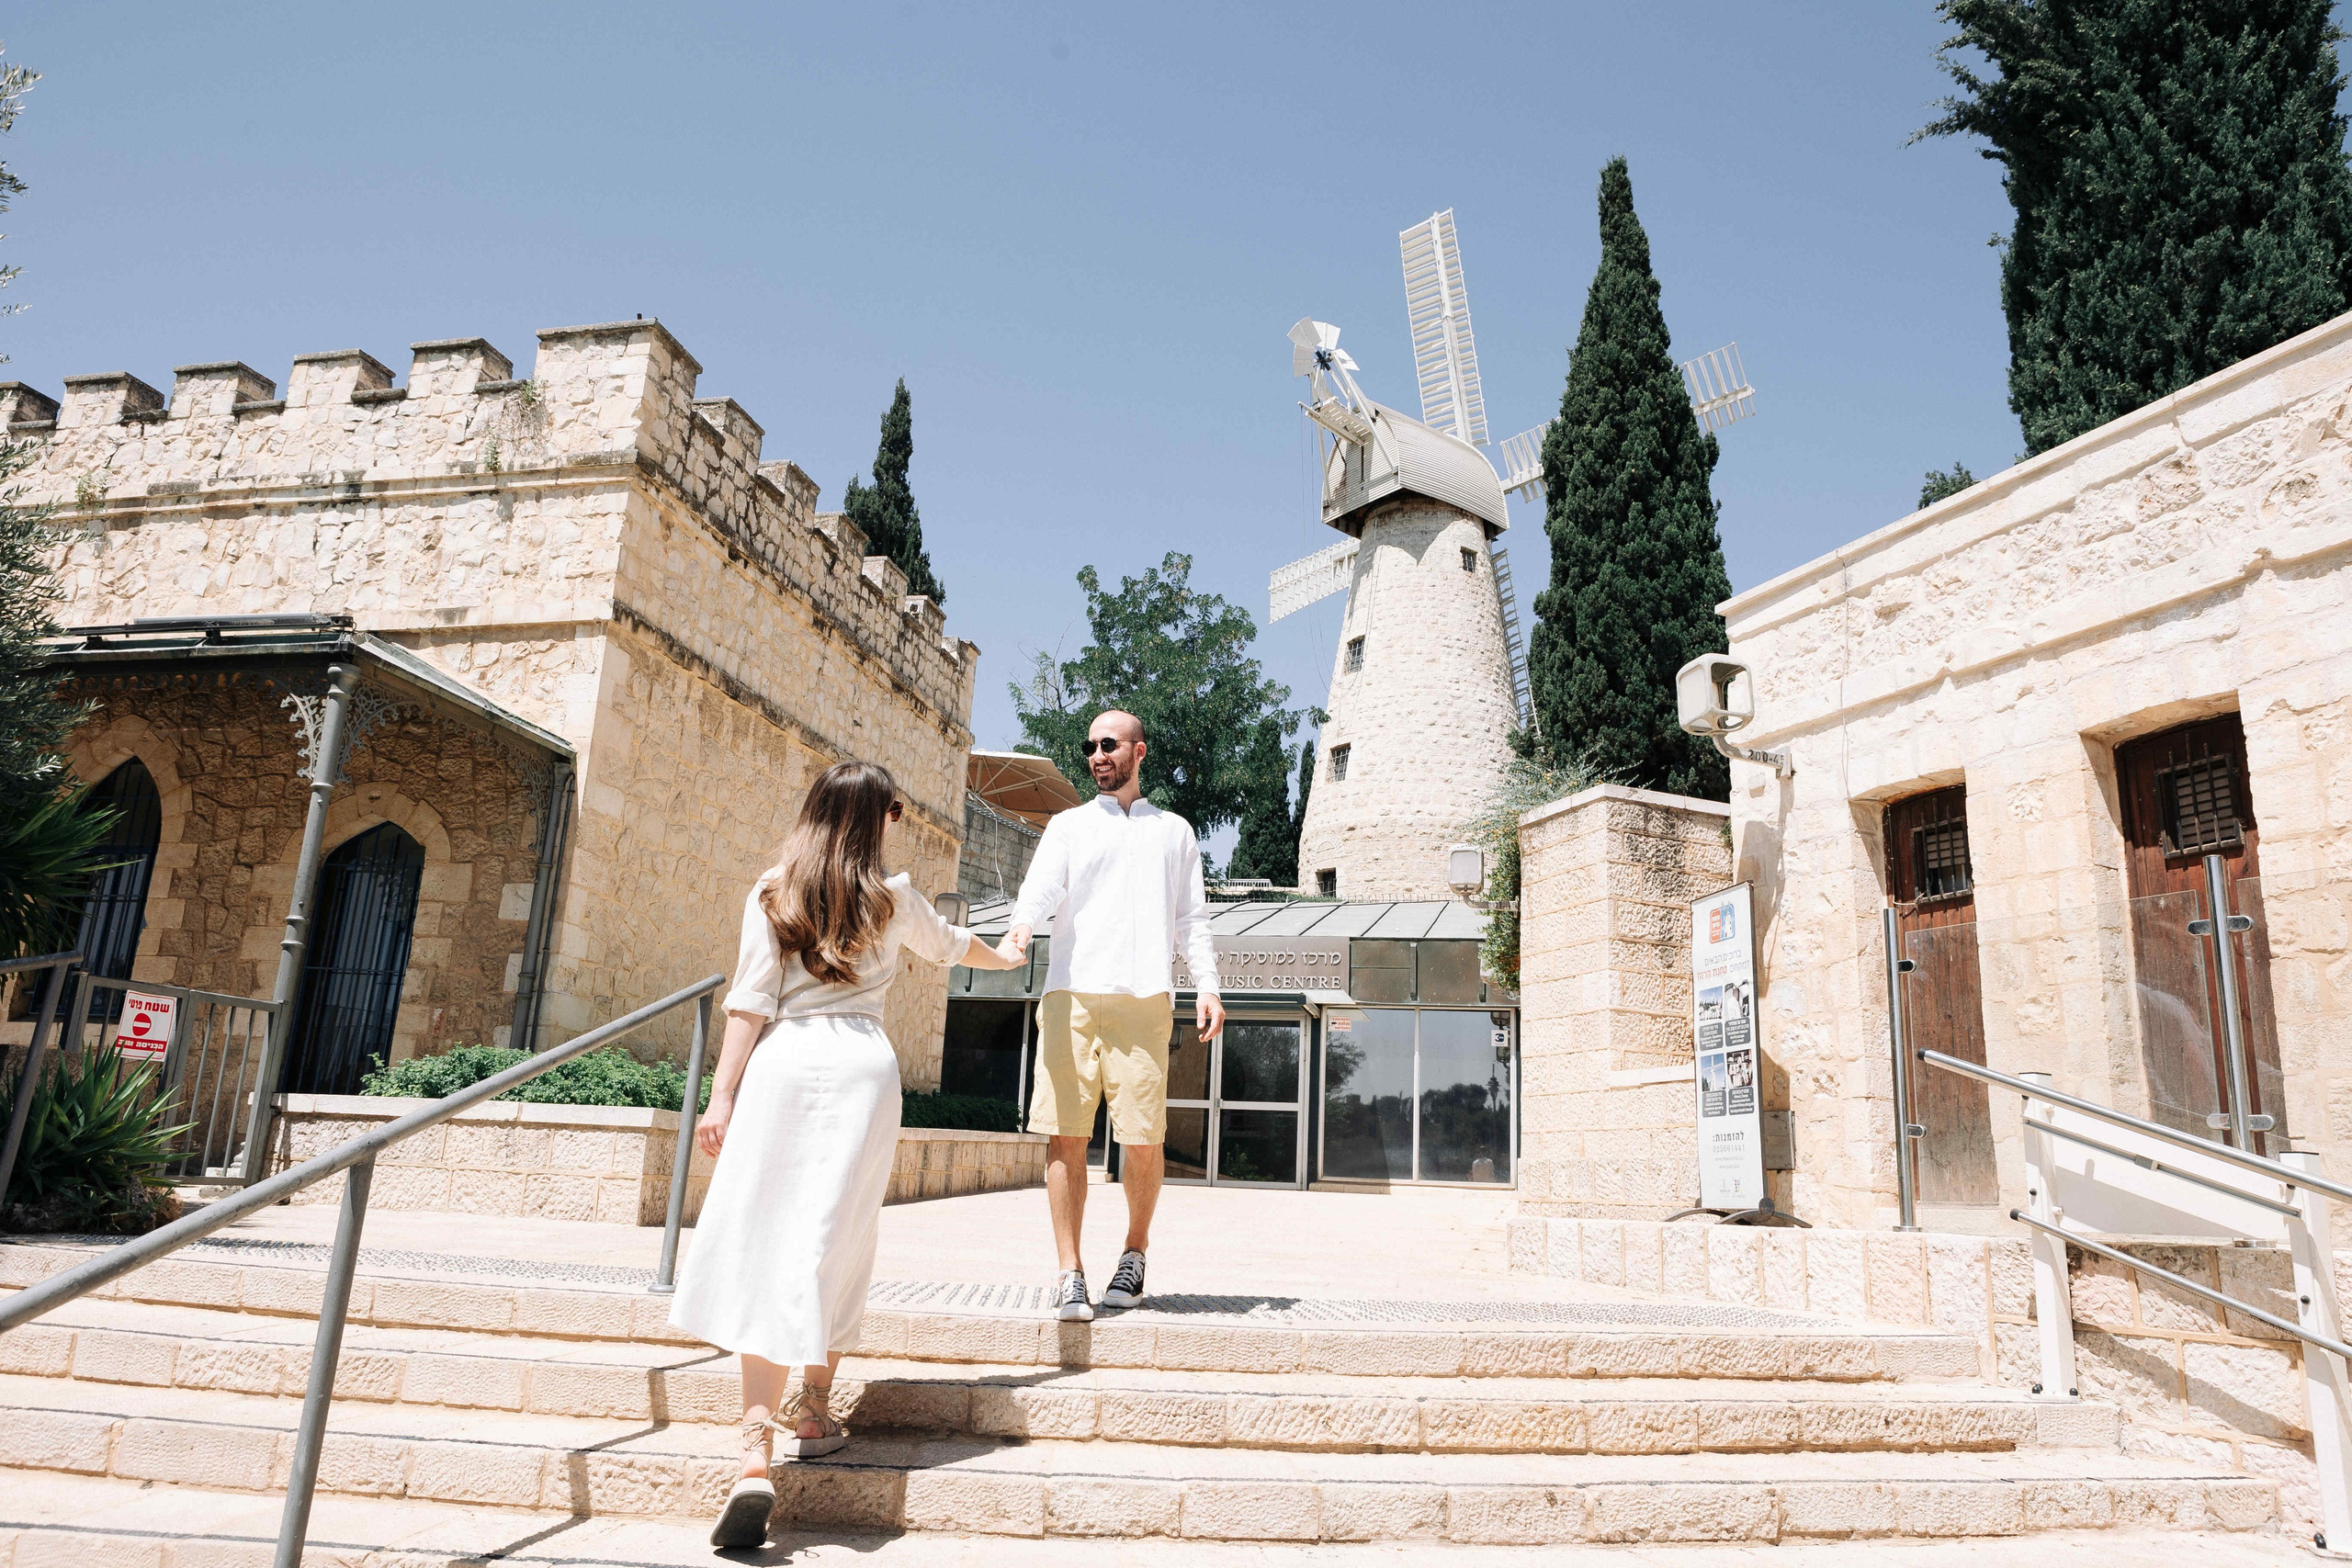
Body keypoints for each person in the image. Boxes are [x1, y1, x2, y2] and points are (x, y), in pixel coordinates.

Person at [670, 760, 1023, 1551]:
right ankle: (815, 1410)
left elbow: (749, 1002)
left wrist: (720, 1095)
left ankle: (753, 1446)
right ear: (879, 819)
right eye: (893, 811)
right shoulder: (893, 896)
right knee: (837, 1237)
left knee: (768, 1242)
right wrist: (1016, 949)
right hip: (863, 1067)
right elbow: (960, 947)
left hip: (784, 1066)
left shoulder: (773, 889)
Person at [1002, 708, 1224, 1322]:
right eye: (1090, 745)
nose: (1097, 754)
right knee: (1066, 1136)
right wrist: (1022, 925)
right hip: (1071, 996)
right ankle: (1069, 1270)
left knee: (1143, 1140)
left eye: (1109, 744)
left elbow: (1191, 919)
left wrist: (1207, 984)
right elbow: (1042, 887)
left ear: (1138, 751)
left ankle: (1134, 1252)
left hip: (1145, 1000)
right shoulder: (1069, 826)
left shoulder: (1174, 831)